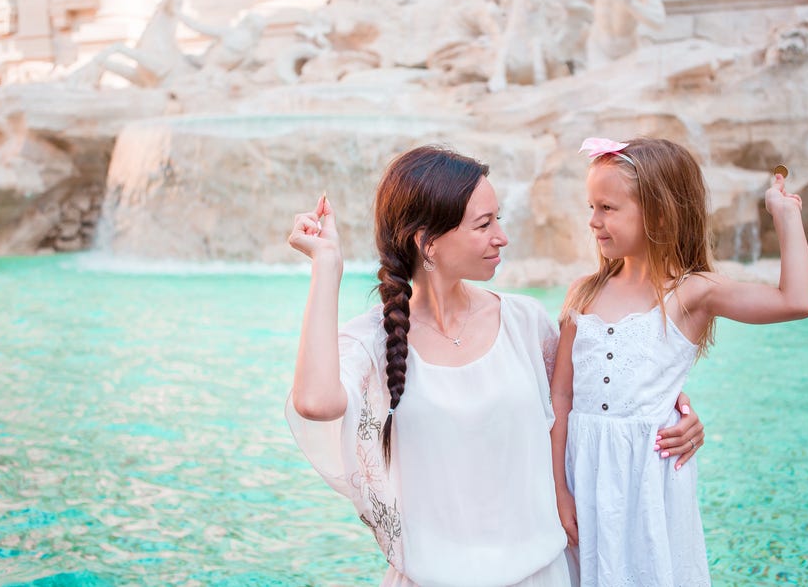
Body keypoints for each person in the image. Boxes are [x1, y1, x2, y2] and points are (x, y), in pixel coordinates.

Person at [285, 145, 706, 586]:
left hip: (540, 575)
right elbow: (314, 402)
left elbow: (604, 401)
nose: (501, 236)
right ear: (427, 243)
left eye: (498, 219)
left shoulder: (527, 324)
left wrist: (677, 415)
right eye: (484, 224)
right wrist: (327, 266)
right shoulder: (376, 339)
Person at [550, 137, 808, 586]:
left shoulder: (691, 292)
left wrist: (785, 216)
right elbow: (561, 393)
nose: (593, 221)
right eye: (592, 207)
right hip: (584, 472)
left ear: (657, 212)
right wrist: (559, 490)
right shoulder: (585, 291)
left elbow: (797, 301)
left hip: (648, 479)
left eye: (608, 208)